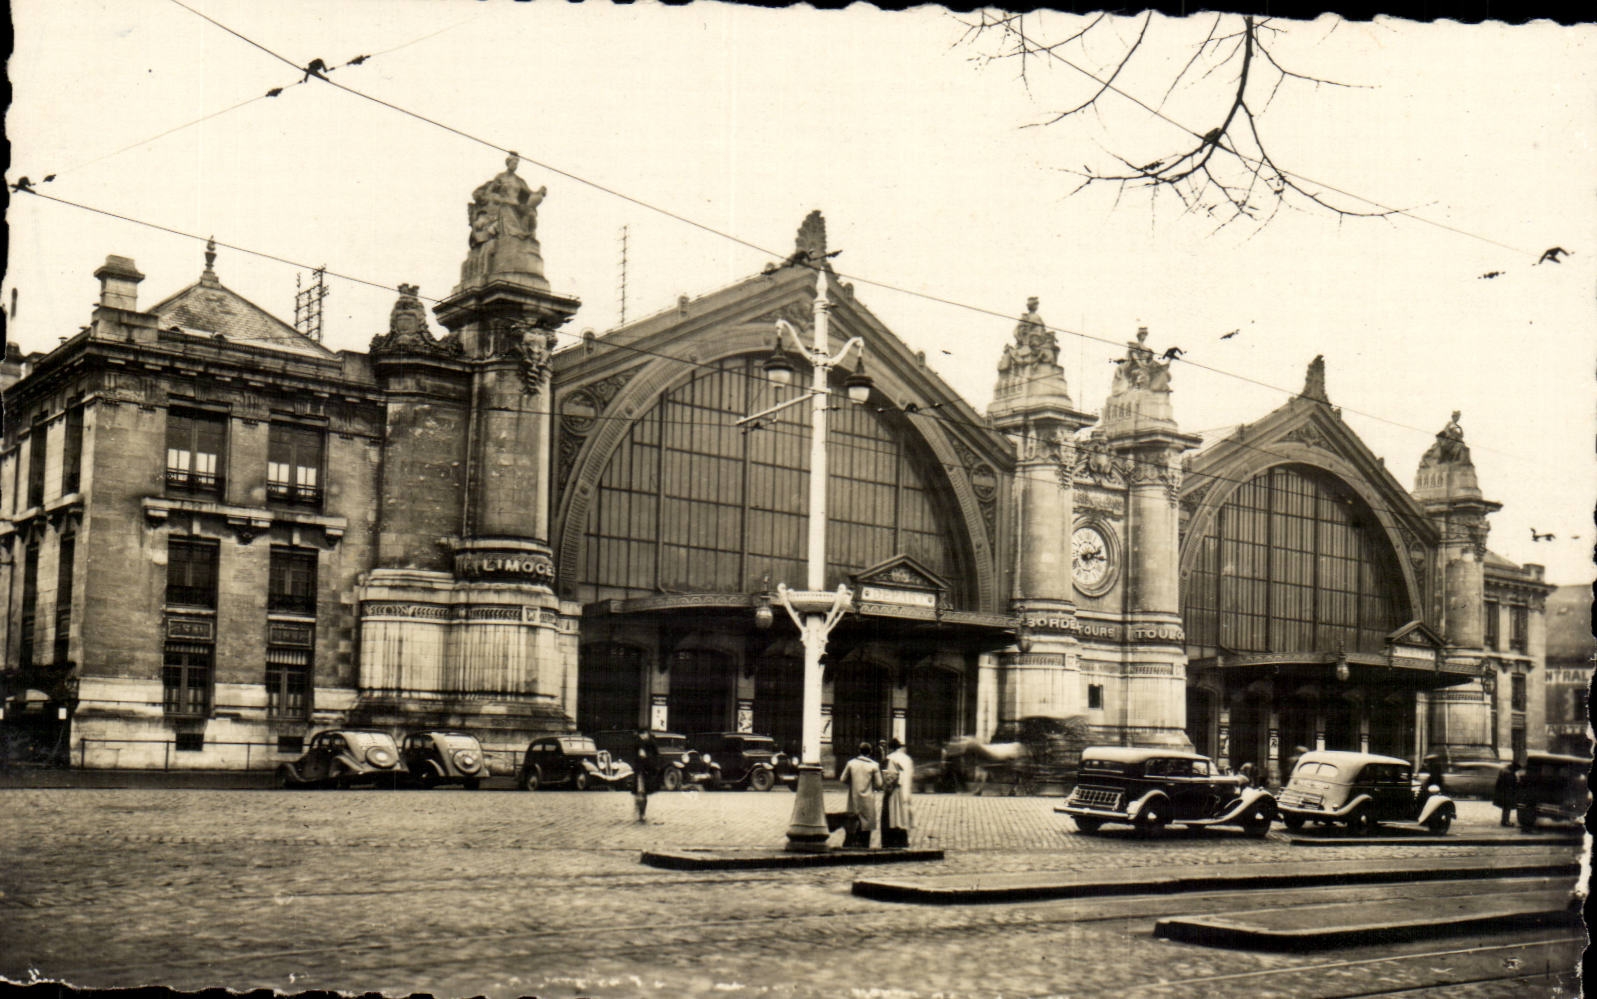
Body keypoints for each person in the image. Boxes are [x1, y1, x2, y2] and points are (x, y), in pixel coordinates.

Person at [837, 742, 883, 849]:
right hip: (868, 798)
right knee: (866, 823)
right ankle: (864, 845)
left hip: (853, 797)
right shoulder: (874, 765)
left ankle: (851, 843)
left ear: (859, 751)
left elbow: (842, 779)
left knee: (853, 820)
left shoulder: (851, 763)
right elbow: (879, 784)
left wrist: (852, 784)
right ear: (870, 752)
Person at [881, 738, 914, 849]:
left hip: (894, 790)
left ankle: (890, 840)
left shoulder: (889, 758)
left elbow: (887, 776)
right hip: (906, 789)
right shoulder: (907, 758)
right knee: (903, 816)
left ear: (890, 747)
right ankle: (904, 839)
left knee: (891, 815)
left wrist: (886, 787)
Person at [633, 730, 659, 824]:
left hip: (647, 771)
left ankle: (642, 812)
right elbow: (633, 755)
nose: (643, 736)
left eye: (644, 734)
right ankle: (640, 813)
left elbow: (656, 756)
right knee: (640, 792)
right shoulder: (637, 743)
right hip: (639, 771)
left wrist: (647, 757)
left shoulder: (652, 743)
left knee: (644, 793)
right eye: (641, 734)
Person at [1493, 761, 1520, 827]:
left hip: (1502, 792)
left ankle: (1504, 820)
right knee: (1507, 807)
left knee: (1506, 808)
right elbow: (1512, 784)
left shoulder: (1504, 771)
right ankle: (1505, 821)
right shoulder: (1509, 773)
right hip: (1507, 793)